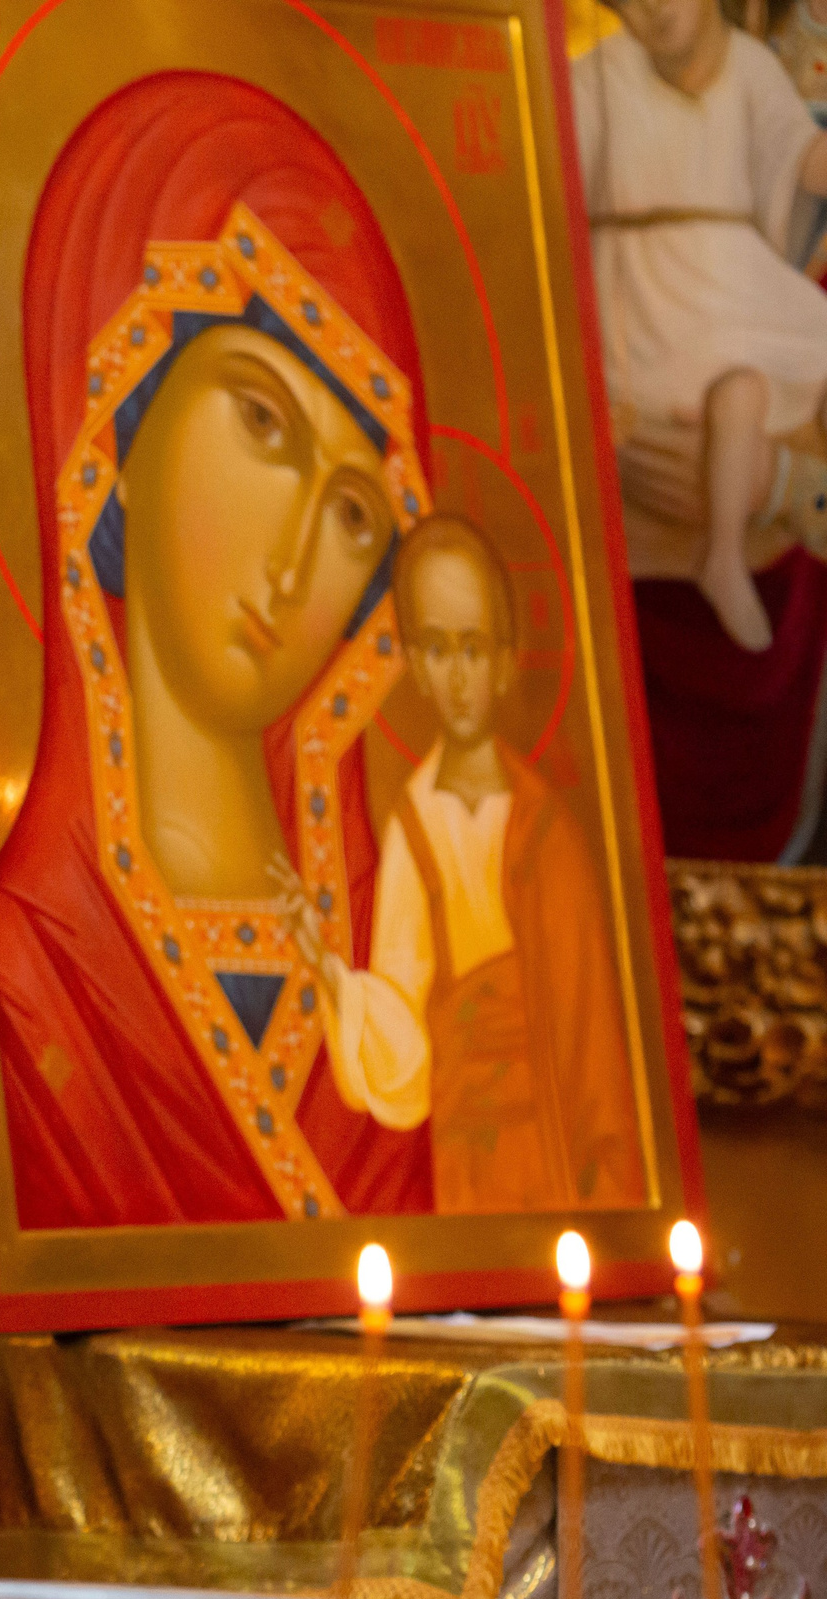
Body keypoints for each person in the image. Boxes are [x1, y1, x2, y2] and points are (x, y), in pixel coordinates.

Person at [0, 73, 433, 1230]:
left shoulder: (395, 977)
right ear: (119, 426)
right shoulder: (23, 960)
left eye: (352, 515)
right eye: (261, 421)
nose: (294, 561)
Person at [284, 518, 648, 1213]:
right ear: (416, 668)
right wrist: (331, 974)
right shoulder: (412, 832)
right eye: (437, 649)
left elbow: (594, 1037)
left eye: (473, 650)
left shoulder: (550, 833)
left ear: (505, 662)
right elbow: (407, 1043)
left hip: (558, 1148)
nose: (457, 677)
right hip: (467, 1155)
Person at [573, 0, 827, 651]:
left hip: (726, 287)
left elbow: (799, 156)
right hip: (637, 300)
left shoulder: (751, 70)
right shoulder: (602, 71)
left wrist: (784, 484)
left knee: (747, 383)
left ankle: (722, 558)